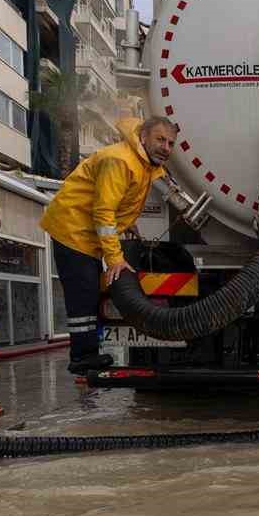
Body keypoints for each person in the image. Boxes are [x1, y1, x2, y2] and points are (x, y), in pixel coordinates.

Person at [39, 115, 178, 373]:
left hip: (84, 232)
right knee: (84, 294)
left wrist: (127, 224)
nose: (166, 147)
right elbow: (103, 213)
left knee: (88, 292)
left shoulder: (142, 163)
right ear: (143, 136)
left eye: (171, 143)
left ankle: (86, 352)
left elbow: (119, 202)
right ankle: (82, 357)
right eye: (160, 139)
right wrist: (114, 258)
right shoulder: (120, 160)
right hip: (73, 230)